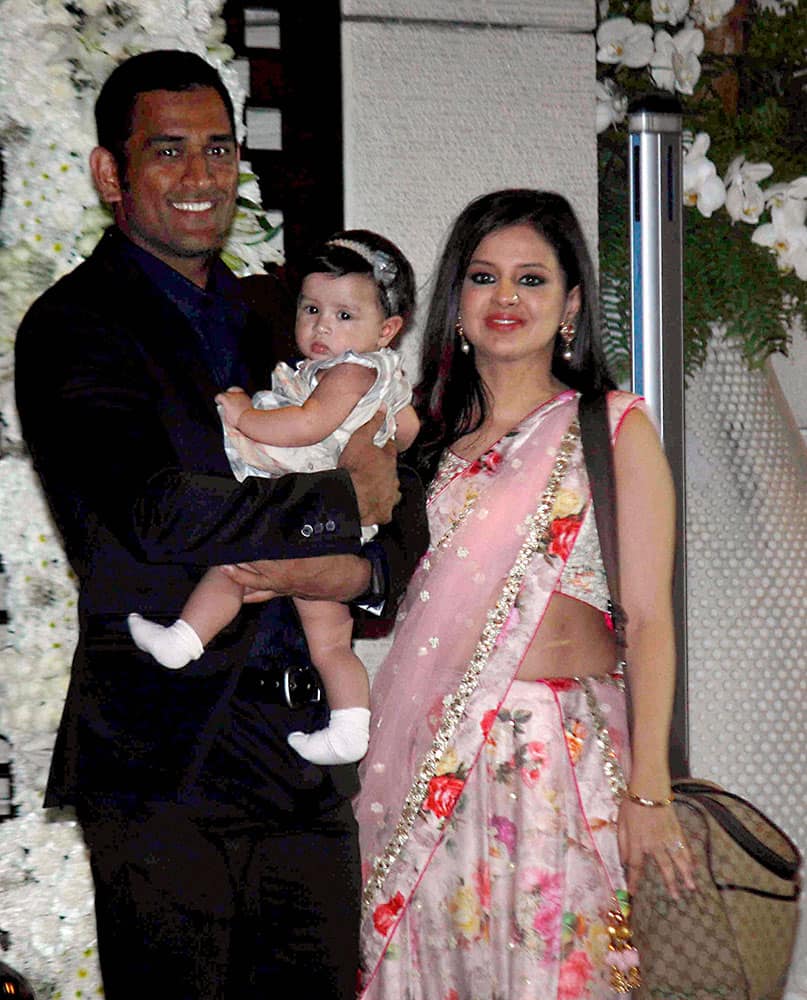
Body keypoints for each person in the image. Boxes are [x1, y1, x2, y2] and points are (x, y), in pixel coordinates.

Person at [14, 50, 428, 999]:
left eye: (218, 148)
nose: (202, 177)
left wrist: (359, 573)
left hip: (303, 743)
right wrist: (342, 507)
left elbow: (403, 487)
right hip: (168, 755)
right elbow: (158, 513)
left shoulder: (292, 318)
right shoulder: (74, 327)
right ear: (109, 174)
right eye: (168, 150)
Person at [354, 189, 696, 999]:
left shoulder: (610, 430)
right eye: (483, 277)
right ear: (457, 302)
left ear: (571, 303)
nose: (505, 299)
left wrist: (650, 786)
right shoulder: (422, 447)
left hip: (558, 767)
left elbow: (647, 620)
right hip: (435, 774)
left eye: (532, 279)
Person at [128, 230, 421, 766]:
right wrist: (377, 442)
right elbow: (408, 429)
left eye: (344, 316)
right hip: (339, 525)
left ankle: (185, 638)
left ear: (389, 329)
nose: (322, 326)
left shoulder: (351, 371)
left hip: (304, 500)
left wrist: (246, 417)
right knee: (330, 641)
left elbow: (307, 425)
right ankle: (351, 726)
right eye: (311, 309)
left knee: (235, 568)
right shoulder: (381, 374)